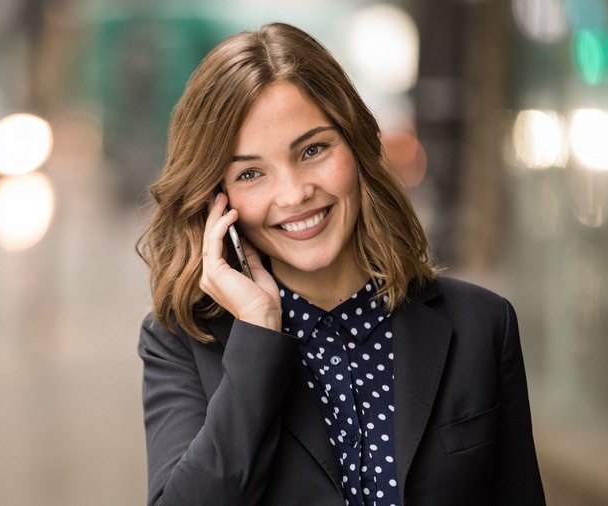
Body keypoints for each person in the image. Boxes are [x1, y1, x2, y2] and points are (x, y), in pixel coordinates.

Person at [136, 22, 544, 506]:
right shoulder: (182, 343)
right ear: (215, 202)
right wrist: (257, 338)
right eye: (250, 173)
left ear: (356, 145)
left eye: (313, 149)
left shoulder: (482, 325)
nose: (294, 193)